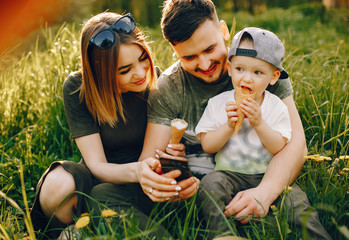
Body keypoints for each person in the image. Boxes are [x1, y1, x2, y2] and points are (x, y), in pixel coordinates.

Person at [140, 0, 332, 239]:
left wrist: (264, 193)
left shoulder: (263, 67)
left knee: (291, 213)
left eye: (210, 49)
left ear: (223, 31)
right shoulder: (170, 86)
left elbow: (295, 144)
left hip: (267, 174)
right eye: (189, 57)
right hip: (214, 183)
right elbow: (152, 157)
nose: (205, 64)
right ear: (175, 51)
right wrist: (157, 176)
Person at [30, 11, 198, 239]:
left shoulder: (158, 83)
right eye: (125, 70)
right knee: (58, 184)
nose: (140, 73)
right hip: (100, 172)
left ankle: (91, 226)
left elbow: (162, 152)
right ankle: (69, 229)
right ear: (100, 71)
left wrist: (166, 161)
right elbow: (96, 164)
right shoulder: (78, 88)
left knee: (107, 197)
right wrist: (137, 171)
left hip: (143, 178)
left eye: (142, 59)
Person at [194, 27, 293, 238]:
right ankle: (223, 234)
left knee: (296, 200)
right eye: (240, 69)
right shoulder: (218, 104)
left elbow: (278, 146)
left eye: (257, 72)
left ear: (274, 76)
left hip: (266, 176)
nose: (246, 79)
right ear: (229, 68)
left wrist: (259, 122)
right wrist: (229, 125)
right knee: (209, 186)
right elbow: (207, 145)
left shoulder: (276, 107)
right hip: (227, 174)